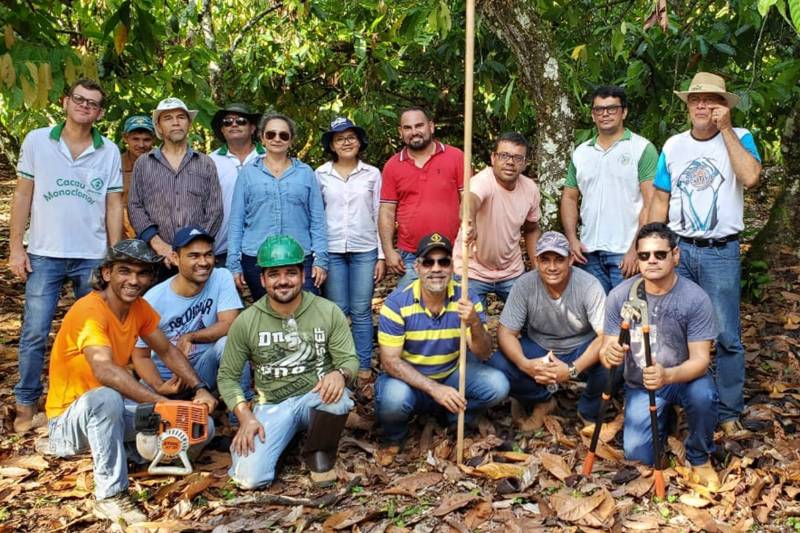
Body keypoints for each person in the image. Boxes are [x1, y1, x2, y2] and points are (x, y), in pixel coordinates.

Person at [43, 240, 217, 524]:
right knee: (107, 396)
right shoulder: (88, 311)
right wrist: (160, 402)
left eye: (142, 273)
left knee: (201, 424)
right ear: (107, 273)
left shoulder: (139, 308)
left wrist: (199, 388)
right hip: (68, 423)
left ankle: (136, 454)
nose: (133, 281)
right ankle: (110, 496)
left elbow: (167, 350)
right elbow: (105, 371)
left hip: (109, 416)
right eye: (125, 271)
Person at [648, 72, 761, 435]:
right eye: (696, 100)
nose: (702, 105)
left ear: (724, 106)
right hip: (679, 250)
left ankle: (728, 413)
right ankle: (682, 405)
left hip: (720, 252)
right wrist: (651, 245)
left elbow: (751, 177)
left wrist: (726, 129)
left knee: (726, 334)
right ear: (687, 106)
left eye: (712, 100)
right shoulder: (673, 145)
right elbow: (661, 200)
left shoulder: (740, 138)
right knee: (673, 330)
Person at [9, 79, 123, 433]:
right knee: (34, 332)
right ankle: (26, 403)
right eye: (79, 100)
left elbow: (113, 203)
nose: (85, 107)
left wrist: (114, 257)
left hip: (91, 255)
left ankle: (83, 399)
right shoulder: (38, 141)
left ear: (100, 112)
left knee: (92, 335)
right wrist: (16, 247)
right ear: (65, 102)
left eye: (93, 103)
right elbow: (23, 195)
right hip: (45, 253)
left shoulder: (109, 151)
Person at [218, 235, 357, 489]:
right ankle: (283, 440)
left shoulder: (327, 311)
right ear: (262, 279)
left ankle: (319, 454)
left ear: (303, 275)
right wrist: (245, 416)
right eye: (274, 274)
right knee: (249, 479)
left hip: (314, 398)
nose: (283, 281)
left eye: (290, 273)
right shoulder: (247, 321)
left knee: (339, 400)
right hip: (271, 405)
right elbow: (227, 377)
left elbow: (348, 359)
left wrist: (340, 373)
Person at [601, 223, 720, 489]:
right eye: (644, 255)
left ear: (675, 255)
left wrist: (668, 375)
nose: (651, 261)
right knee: (638, 456)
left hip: (683, 378)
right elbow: (605, 350)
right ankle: (665, 420)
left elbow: (701, 360)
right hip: (642, 384)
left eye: (660, 254)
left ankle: (699, 456)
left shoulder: (695, 298)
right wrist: (608, 354)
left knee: (704, 396)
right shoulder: (620, 296)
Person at [375, 233, 509, 464]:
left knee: (498, 385)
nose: (436, 268)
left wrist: (475, 322)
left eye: (443, 262)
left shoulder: (466, 296)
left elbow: (483, 353)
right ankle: (395, 437)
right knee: (393, 399)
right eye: (429, 262)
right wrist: (434, 389)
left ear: (452, 267)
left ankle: (457, 416)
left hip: (450, 375)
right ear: (417, 267)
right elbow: (390, 362)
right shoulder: (397, 303)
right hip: (410, 382)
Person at [486, 231, 607, 429]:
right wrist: (525, 364)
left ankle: (588, 411)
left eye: (559, 260)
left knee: (612, 355)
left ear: (570, 260)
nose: (551, 267)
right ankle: (541, 400)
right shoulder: (524, 285)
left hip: (580, 348)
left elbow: (605, 336)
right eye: (545, 260)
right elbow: (505, 333)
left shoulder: (588, 285)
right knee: (497, 362)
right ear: (536, 260)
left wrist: (571, 370)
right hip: (540, 349)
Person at [561, 85, 657, 294]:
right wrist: (572, 239)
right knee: (597, 319)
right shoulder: (581, 152)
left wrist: (637, 247)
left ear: (624, 112)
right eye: (599, 109)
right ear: (593, 115)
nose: (605, 114)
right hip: (588, 252)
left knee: (629, 318)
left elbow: (651, 202)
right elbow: (569, 197)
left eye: (612, 108)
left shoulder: (641, 148)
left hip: (625, 252)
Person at [227, 112, 328, 300]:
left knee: (305, 312)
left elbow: (317, 219)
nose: (277, 139)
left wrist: (321, 259)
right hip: (256, 257)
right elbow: (236, 220)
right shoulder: (248, 173)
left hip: (300, 256)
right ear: (262, 138)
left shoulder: (305, 173)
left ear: (291, 140)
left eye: (283, 135)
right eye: (271, 134)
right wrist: (233, 263)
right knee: (267, 314)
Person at [131, 226, 243, 393]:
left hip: (204, 367)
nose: (204, 262)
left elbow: (229, 323)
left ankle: (241, 415)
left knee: (228, 343)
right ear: (175, 258)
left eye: (208, 254)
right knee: (136, 407)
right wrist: (159, 386)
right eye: (194, 256)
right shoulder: (153, 300)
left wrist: (191, 337)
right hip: (168, 375)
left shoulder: (221, 277)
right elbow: (140, 356)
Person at [315, 117, 384, 383]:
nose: (346, 142)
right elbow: (317, 215)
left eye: (351, 137)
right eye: (339, 138)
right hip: (332, 250)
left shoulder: (372, 174)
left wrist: (380, 254)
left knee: (361, 310)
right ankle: (341, 367)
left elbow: (379, 213)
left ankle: (364, 367)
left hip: (365, 249)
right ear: (332, 144)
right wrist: (318, 254)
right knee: (337, 311)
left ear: (359, 141)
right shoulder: (320, 174)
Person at [128, 97, 223, 281]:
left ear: (189, 124)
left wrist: (191, 249)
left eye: (181, 117)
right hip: (155, 258)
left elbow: (215, 210)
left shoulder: (205, 163)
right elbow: (135, 206)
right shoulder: (144, 163)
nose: (176, 122)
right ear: (159, 126)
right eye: (168, 118)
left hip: (197, 260)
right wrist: (160, 245)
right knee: (155, 308)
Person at [379, 107, 464, 288]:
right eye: (408, 128)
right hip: (411, 255)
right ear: (400, 132)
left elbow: (469, 200)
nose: (414, 132)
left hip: (453, 252)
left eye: (419, 125)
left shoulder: (456, 157)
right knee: (409, 308)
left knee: (455, 309)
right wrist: (388, 250)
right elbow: (387, 211)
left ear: (431, 126)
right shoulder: (392, 166)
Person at [453, 132, 541, 307]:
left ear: (524, 163)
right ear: (493, 158)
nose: (510, 162)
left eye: (517, 158)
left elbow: (531, 229)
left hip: (511, 271)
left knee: (530, 320)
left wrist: (537, 266)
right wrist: (469, 221)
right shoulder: (481, 181)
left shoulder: (530, 189)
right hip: (472, 270)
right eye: (504, 155)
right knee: (470, 327)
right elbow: (470, 200)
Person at [209, 103, 264, 266]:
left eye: (240, 121)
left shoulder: (270, 157)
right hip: (222, 248)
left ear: (253, 128)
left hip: (264, 247)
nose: (233, 124)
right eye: (227, 122)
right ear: (222, 130)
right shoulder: (209, 161)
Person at [120, 115, 156, 238]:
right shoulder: (115, 165)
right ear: (125, 138)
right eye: (135, 139)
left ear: (154, 139)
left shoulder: (163, 164)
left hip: (157, 234)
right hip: (123, 235)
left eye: (146, 139)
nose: (141, 145)